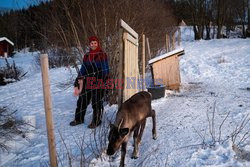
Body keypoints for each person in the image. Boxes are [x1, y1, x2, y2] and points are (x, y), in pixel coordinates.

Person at [70, 36, 109, 128]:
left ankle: (96, 121)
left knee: (96, 101)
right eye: (91, 43)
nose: (93, 45)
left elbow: (105, 67)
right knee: (82, 100)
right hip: (87, 80)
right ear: (89, 44)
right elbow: (83, 68)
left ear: (98, 43)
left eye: (95, 43)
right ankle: (78, 119)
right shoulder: (87, 56)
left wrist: (105, 78)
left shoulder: (102, 54)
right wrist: (79, 77)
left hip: (99, 79)